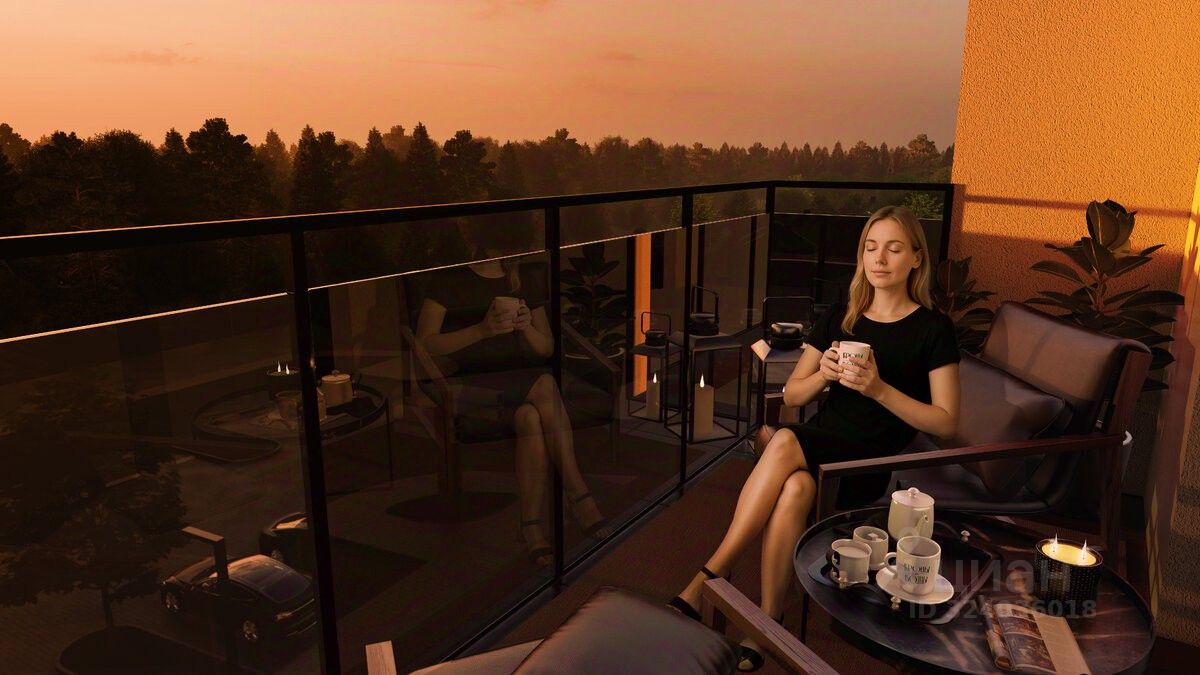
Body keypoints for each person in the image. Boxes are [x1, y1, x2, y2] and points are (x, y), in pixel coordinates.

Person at [668, 205, 961, 671]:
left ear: (916, 258)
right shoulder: (843, 317)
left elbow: (946, 422)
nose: (879, 258)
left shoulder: (933, 329)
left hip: (866, 463)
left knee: (784, 442)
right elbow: (792, 393)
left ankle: (709, 576)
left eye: (893, 248)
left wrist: (878, 389)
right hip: (821, 443)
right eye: (870, 247)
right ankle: (768, 622)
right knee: (796, 487)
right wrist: (823, 374)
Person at [415, 247, 611, 567]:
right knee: (545, 385)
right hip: (472, 383)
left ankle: (530, 525)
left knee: (530, 417)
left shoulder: (521, 277)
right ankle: (578, 494)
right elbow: (426, 343)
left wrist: (526, 327)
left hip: (520, 379)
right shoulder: (450, 278)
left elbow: (546, 348)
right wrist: (482, 330)